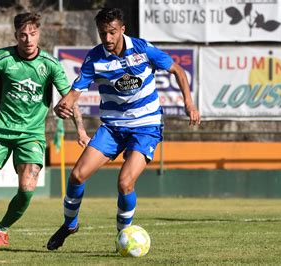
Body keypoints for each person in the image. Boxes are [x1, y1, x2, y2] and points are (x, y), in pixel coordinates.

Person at [46, 8, 201, 250]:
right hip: (112, 127)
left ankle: (123, 236)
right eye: (102, 33)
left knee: (125, 182)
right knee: (77, 175)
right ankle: (70, 224)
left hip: (145, 126)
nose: (107, 38)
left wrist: (189, 103)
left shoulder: (142, 49)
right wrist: (63, 105)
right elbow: (74, 93)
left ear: (122, 30)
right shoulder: (95, 58)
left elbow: (178, 71)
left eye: (112, 32)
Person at [0, 12, 89, 247]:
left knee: (27, 189)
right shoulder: (1, 58)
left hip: (31, 135)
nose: (28, 39)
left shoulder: (49, 65)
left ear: (39, 34)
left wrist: (80, 130)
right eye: (23, 35)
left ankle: (2, 229)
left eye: (33, 34)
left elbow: (69, 98)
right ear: (15, 35)